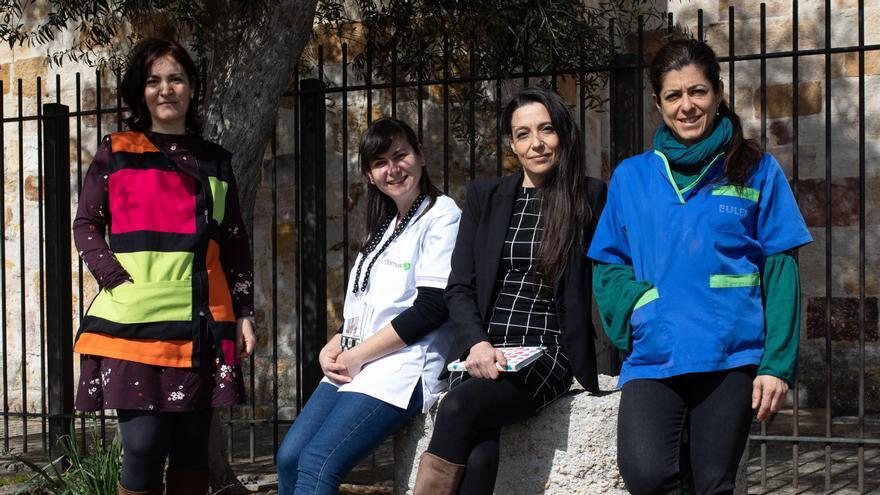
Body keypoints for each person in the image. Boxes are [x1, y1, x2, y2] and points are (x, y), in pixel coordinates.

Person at [588, 38, 812, 494]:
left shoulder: (757, 170)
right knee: (646, 475)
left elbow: (781, 268)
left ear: (718, 94)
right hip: (655, 352)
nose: (686, 106)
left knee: (713, 483)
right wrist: (637, 309)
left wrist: (777, 364)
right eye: (674, 95)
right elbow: (609, 263)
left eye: (698, 92)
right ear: (657, 103)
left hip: (731, 355)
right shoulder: (632, 176)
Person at [72, 38, 256, 495]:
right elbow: (86, 223)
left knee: (193, 452)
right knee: (144, 446)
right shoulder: (116, 151)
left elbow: (234, 243)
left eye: (175, 78)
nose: (165, 89)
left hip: (203, 324)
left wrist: (245, 313)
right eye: (154, 81)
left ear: (192, 87)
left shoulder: (216, 161)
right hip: (133, 322)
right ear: (141, 92)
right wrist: (113, 277)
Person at [413, 87, 604, 495]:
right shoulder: (486, 196)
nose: (536, 143)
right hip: (485, 350)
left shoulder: (588, 196)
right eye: (523, 134)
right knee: (480, 450)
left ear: (563, 135)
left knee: (460, 407)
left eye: (546, 130)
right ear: (512, 144)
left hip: (547, 350)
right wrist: (477, 344)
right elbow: (460, 286)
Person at [275, 117, 461, 495]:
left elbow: (431, 309)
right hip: (358, 361)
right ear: (370, 175)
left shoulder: (442, 216)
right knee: (291, 457)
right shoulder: (386, 224)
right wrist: (336, 343)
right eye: (380, 163)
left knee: (318, 462)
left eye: (400, 155)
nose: (392, 169)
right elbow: (370, 306)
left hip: (401, 367)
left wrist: (357, 353)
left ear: (421, 156)